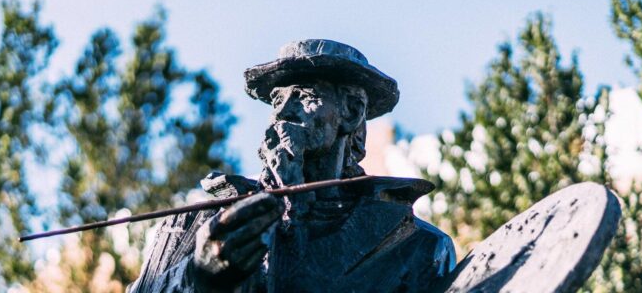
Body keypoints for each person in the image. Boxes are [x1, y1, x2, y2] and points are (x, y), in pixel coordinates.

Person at [128, 39, 455, 293]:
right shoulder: (198, 224)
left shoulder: (414, 245)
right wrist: (199, 277)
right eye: (277, 100)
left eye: (302, 95)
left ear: (352, 111)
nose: (283, 110)